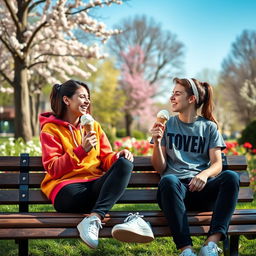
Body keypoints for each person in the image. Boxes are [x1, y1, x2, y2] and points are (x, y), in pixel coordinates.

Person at [39, 79, 154, 249]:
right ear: (66, 100)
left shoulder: (95, 127)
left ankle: (94, 219)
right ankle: (131, 219)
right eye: (82, 97)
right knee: (75, 194)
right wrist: (81, 150)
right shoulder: (50, 130)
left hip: (94, 186)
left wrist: (116, 157)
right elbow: (53, 169)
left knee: (125, 163)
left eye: (88, 97)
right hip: (68, 190)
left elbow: (105, 158)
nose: (87, 101)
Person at [150, 78, 239, 256]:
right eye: (172, 93)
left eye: (177, 93)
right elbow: (160, 168)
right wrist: (157, 142)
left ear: (191, 99)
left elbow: (217, 164)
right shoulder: (167, 125)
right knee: (168, 179)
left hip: (203, 190)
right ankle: (186, 250)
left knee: (231, 177)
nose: (171, 98)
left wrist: (204, 175)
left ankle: (211, 244)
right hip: (174, 193)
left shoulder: (209, 127)